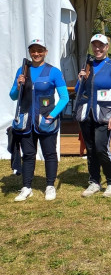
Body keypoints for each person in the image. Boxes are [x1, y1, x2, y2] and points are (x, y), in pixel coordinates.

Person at [10, 38, 69, 201]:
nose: (36, 53)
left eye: (40, 50)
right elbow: (13, 96)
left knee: (50, 154)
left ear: (45, 52)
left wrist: (52, 115)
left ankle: (50, 186)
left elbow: (64, 97)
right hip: (26, 121)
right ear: (30, 52)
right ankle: (26, 187)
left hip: (46, 121)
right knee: (28, 154)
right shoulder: (22, 70)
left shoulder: (54, 71)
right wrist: (18, 84)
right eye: (33, 50)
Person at [74, 34, 111, 198]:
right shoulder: (87, 65)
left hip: (105, 114)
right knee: (90, 149)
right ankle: (94, 181)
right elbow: (78, 91)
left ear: (107, 47)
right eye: (95, 45)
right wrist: (80, 79)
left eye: (101, 46)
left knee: (101, 147)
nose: (98, 49)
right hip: (87, 114)